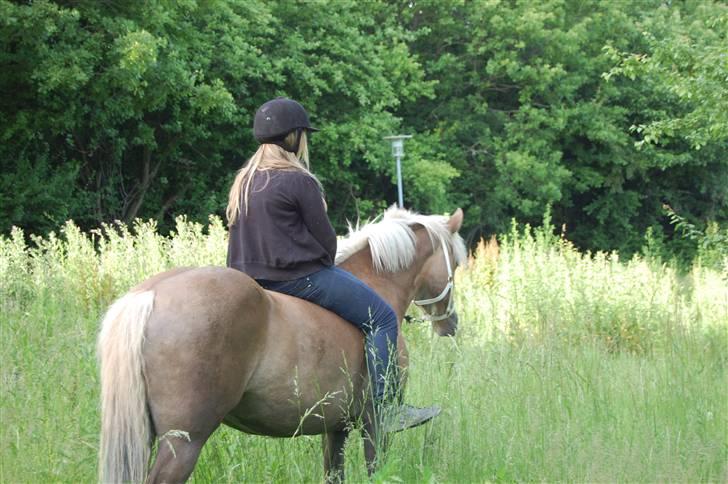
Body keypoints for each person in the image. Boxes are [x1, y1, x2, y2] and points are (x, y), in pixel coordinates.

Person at [225, 97, 438, 433]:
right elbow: (326, 244)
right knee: (381, 317)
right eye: (302, 134)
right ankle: (387, 410)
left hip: (250, 280)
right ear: (293, 137)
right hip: (297, 278)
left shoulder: (244, 181)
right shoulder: (299, 180)